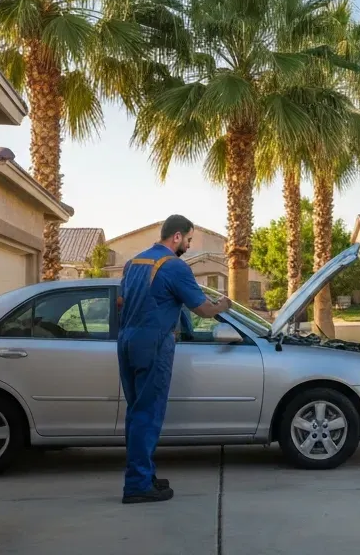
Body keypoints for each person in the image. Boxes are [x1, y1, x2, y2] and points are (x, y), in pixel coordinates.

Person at [116, 214, 229, 504]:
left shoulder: (134, 263)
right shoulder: (174, 266)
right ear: (176, 236)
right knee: (148, 413)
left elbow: (121, 302)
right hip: (153, 344)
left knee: (136, 411)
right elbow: (203, 309)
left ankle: (144, 474)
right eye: (189, 240)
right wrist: (223, 305)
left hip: (127, 341)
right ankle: (138, 484)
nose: (189, 246)